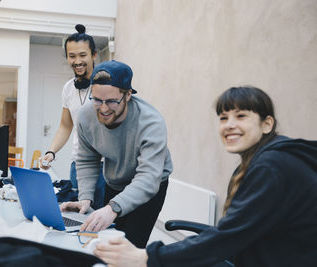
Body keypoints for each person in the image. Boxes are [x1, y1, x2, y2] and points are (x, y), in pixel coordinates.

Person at [93, 86, 317, 266]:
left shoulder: (271, 167)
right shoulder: (256, 163)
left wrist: (147, 258)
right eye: (223, 117)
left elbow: (229, 236)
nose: (229, 125)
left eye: (241, 116)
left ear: (266, 124)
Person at [60, 60, 173, 248]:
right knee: (105, 241)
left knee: (129, 246)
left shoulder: (151, 123)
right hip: (115, 180)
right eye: (97, 100)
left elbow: (148, 178)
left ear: (128, 94)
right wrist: (85, 198)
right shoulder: (86, 115)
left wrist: (113, 208)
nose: (103, 109)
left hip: (150, 184)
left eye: (112, 101)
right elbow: (87, 158)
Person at [40, 24, 105, 209]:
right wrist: (51, 152)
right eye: (72, 56)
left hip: (104, 167)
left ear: (94, 54)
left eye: (83, 55)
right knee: (77, 219)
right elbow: (66, 126)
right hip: (78, 164)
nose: (77, 61)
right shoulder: (68, 88)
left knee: (99, 222)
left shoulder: (106, 85)